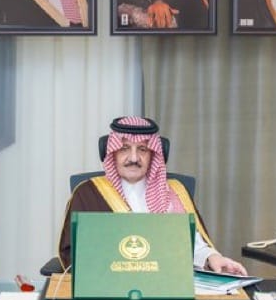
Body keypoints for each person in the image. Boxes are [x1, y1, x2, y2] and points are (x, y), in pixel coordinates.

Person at [58, 116, 247, 275]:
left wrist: (212, 257)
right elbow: (74, 253)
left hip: (165, 284)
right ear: (112, 153)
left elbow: (190, 244)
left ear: (155, 154)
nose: (133, 158)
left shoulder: (174, 192)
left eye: (142, 149)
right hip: (107, 286)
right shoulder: (87, 193)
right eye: (124, 148)